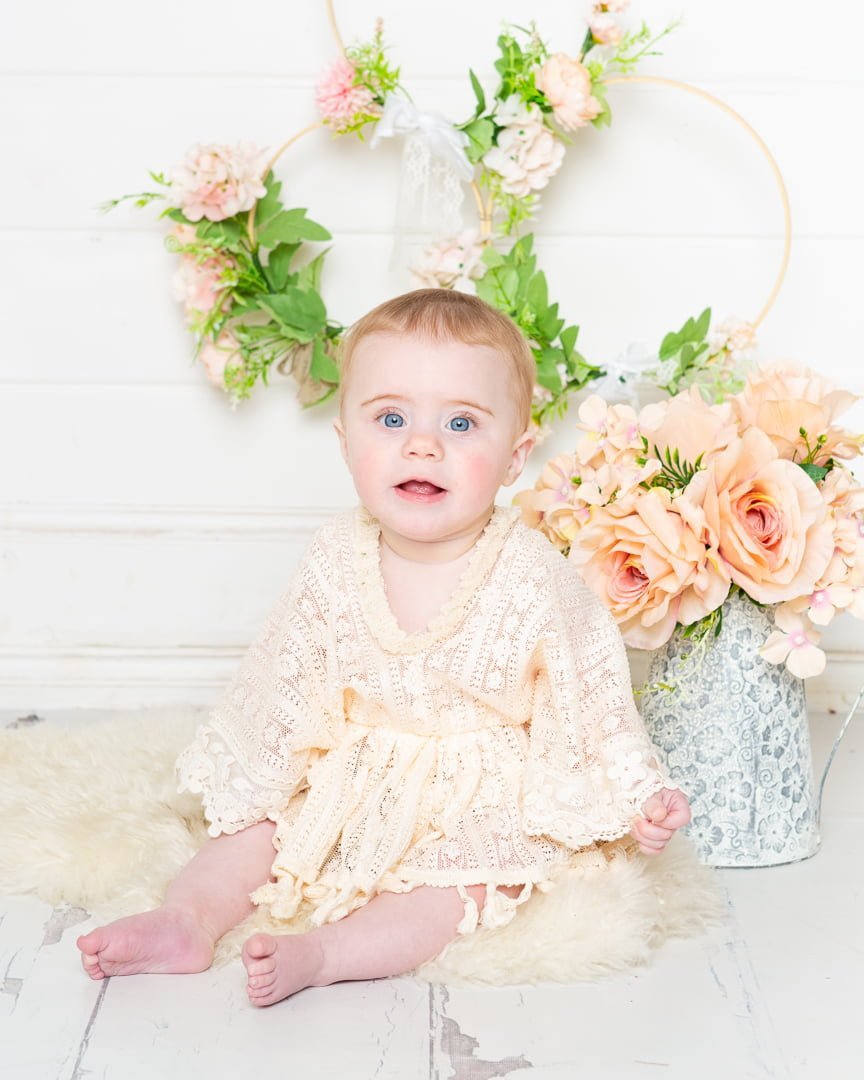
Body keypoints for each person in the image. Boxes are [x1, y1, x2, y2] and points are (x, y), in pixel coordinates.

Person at [77, 288, 691, 1007]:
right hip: (358, 771)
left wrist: (635, 792)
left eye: (461, 422)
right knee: (260, 834)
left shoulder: (530, 571)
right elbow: (285, 679)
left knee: (468, 883)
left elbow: (587, 690)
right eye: (391, 418)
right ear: (346, 441)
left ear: (516, 455)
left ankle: (326, 953)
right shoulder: (336, 555)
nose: (422, 444)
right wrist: (261, 786)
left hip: (479, 788)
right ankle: (186, 919)